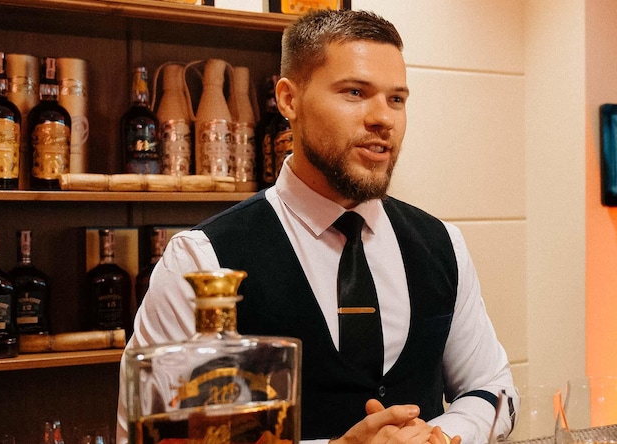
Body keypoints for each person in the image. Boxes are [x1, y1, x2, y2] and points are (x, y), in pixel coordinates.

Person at [122, 10, 516, 444]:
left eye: (396, 99)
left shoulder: (442, 245)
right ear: (289, 100)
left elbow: (492, 387)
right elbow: (147, 437)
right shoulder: (201, 260)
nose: (383, 118)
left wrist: (440, 436)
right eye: (355, 92)